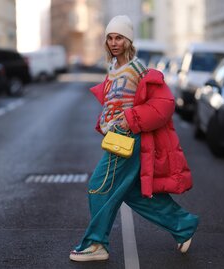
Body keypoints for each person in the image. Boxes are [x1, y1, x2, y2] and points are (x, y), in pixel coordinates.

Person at [69, 15, 199, 262]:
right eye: (110, 38)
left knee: (99, 187)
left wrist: (129, 119)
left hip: (128, 137)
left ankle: (96, 244)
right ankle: (183, 225)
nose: (114, 42)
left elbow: (164, 103)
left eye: (119, 37)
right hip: (117, 136)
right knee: (133, 193)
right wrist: (106, 121)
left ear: (128, 40)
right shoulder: (114, 68)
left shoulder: (138, 68)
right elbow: (115, 102)